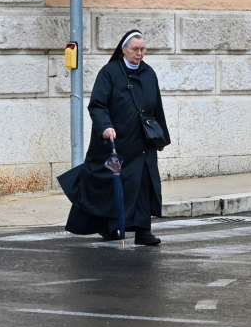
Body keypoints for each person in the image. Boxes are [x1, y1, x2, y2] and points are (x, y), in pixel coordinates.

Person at [59, 30, 170, 246]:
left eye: (143, 49)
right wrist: (106, 126)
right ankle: (108, 227)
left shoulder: (149, 73)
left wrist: (161, 137)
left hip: (143, 144)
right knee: (111, 185)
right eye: (136, 49)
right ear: (124, 49)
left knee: (143, 185)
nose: (140, 54)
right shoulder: (109, 73)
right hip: (116, 143)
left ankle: (143, 232)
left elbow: (158, 108)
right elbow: (98, 105)